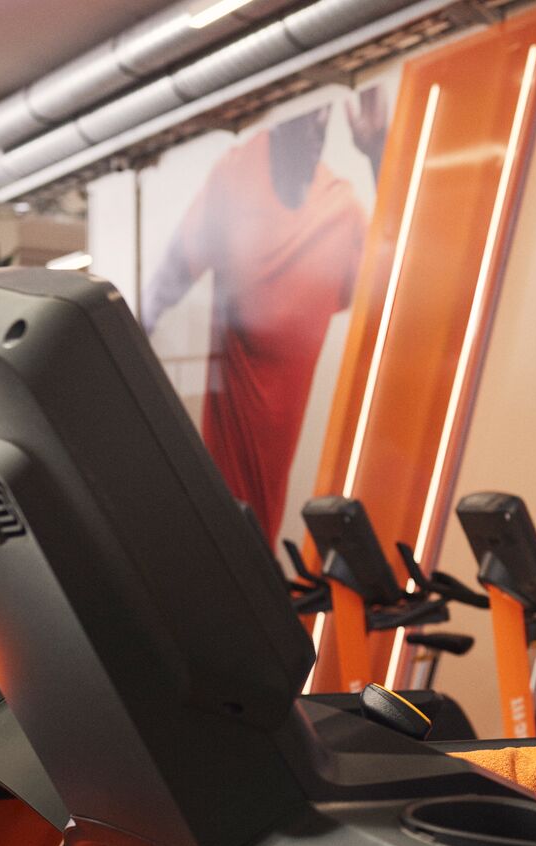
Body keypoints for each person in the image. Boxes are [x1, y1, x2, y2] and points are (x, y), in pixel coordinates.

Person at [140, 88, 389, 541]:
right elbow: (167, 281)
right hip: (225, 487)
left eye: (323, 112)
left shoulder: (340, 208)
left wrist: (378, 153)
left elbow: (407, 286)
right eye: (303, 114)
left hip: (276, 494)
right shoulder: (236, 175)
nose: (316, 125)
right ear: (277, 123)